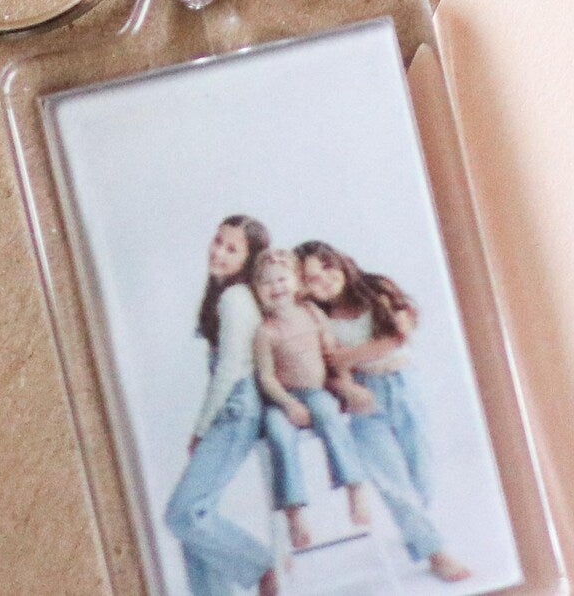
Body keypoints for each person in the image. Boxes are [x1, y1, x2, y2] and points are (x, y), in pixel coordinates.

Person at [295, 241, 471, 584]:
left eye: (327, 268)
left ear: (341, 263)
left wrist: (348, 356)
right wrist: (346, 385)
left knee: (421, 473)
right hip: (364, 396)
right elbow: (326, 368)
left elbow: (397, 336)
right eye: (312, 279)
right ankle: (437, 552)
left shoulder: (376, 288)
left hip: (403, 384)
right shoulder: (316, 317)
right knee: (391, 482)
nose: (324, 280)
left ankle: (417, 532)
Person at [164, 215, 279, 596]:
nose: (219, 252)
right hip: (231, 411)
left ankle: (262, 567)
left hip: (236, 413)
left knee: (184, 514)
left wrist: (200, 428)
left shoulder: (234, 298)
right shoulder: (223, 293)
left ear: (249, 259)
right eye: (218, 242)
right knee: (195, 520)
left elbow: (228, 370)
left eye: (232, 249)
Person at [250, 248, 373, 552]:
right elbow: (266, 378)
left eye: (282, 279)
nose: (276, 287)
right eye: (267, 282)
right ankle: (294, 514)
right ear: (258, 291)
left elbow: (331, 353)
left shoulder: (312, 313)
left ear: (296, 282)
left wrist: (344, 386)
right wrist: (288, 404)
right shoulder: (265, 332)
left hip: (316, 392)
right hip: (283, 400)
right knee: (278, 434)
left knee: (329, 416)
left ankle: (354, 488)